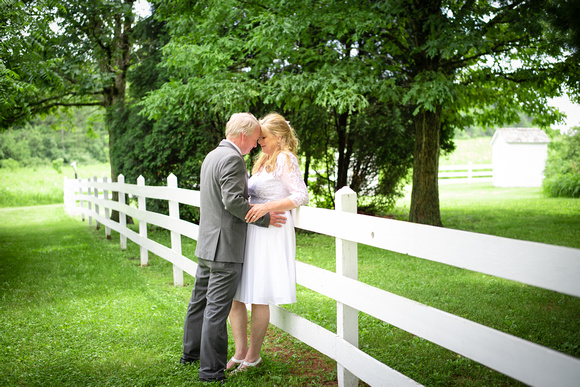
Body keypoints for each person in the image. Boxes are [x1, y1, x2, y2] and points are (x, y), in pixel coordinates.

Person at [180, 113, 286, 383]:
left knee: (198, 303)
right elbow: (233, 201)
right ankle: (211, 371)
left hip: (206, 245)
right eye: (253, 140)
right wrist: (263, 217)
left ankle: (190, 354)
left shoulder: (212, 155)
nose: (254, 145)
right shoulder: (232, 158)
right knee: (216, 309)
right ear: (242, 136)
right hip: (225, 247)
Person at [227, 113, 309, 372]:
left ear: (280, 136)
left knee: (259, 294)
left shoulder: (285, 158)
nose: (258, 140)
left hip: (272, 231)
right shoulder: (262, 160)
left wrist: (266, 207)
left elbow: (301, 195)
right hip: (254, 230)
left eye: (263, 136)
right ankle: (240, 352)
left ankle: (253, 356)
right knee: (237, 293)